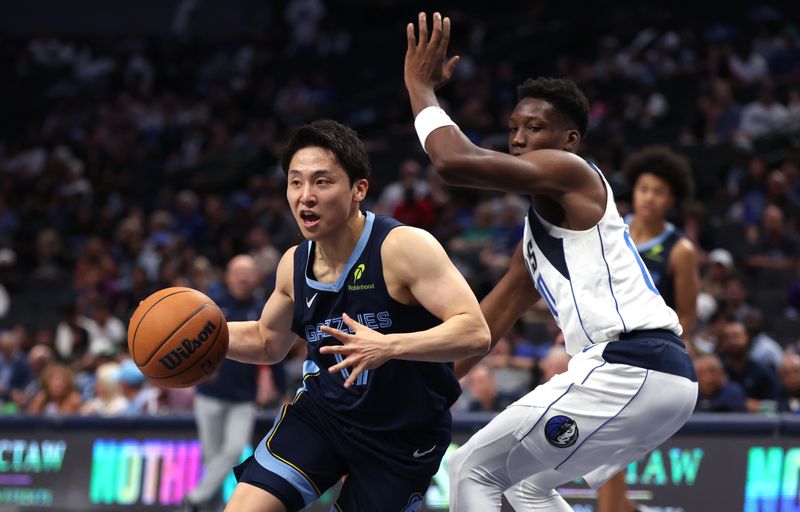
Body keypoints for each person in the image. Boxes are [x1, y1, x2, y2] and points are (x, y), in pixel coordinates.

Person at [404, 12, 698, 511]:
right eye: (513, 128)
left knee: (470, 467)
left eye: (534, 128)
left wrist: (420, 88)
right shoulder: (537, 237)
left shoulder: (573, 173)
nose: (518, 138)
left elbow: (453, 162)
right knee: (525, 487)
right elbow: (488, 322)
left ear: (569, 141)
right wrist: (429, 388)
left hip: (631, 365)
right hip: (650, 378)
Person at [222, 120, 489, 511]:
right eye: (296, 183)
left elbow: (475, 330)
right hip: (324, 419)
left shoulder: (402, 248)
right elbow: (267, 342)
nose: (305, 196)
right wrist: (204, 336)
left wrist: (389, 346)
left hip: (402, 437)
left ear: (358, 190)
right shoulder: (292, 264)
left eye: (322, 182)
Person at [597, 145, 700, 512]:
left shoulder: (680, 250)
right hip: (603, 350)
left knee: (610, 448)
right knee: (609, 453)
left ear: (671, 199)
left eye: (658, 191)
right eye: (644, 189)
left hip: (651, 357)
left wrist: (664, 346)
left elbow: (687, 315)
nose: (649, 198)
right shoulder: (612, 234)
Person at [181, 254, 270, 512]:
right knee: (212, 457)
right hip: (209, 393)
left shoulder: (263, 308)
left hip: (243, 396)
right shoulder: (211, 306)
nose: (243, 277)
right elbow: (189, 341)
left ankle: (195, 498)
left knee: (232, 451)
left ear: (255, 278)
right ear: (228, 277)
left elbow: (271, 347)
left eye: (248, 272)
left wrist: (269, 379)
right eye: (238, 272)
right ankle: (216, 507)